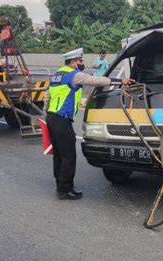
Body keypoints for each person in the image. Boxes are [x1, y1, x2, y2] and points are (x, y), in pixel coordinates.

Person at [46, 48, 133, 200]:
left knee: (59, 155)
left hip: (52, 117)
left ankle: (60, 185)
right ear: (73, 62)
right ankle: (65, 190)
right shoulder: (74, 75)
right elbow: (96, 81)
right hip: (61, 119)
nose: (82, 63)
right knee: (68, 155)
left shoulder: (57, 74)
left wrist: (46, 113)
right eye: (80, 61)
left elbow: (47, 96)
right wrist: (120, 81)